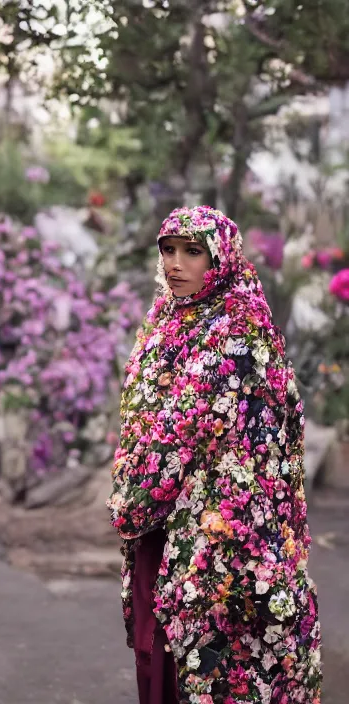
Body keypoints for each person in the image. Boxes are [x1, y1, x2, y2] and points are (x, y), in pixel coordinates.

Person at [108, 206, 322, 704]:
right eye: (168, 251)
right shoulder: (165, 320)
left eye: (192, 251)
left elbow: (181, 435)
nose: (176, 265)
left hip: (220, 539)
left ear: (220, 258)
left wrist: (129, 502)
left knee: (216, 666)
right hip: (161, 526)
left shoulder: (238, 332)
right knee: (164, 662)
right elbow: (142, 419)